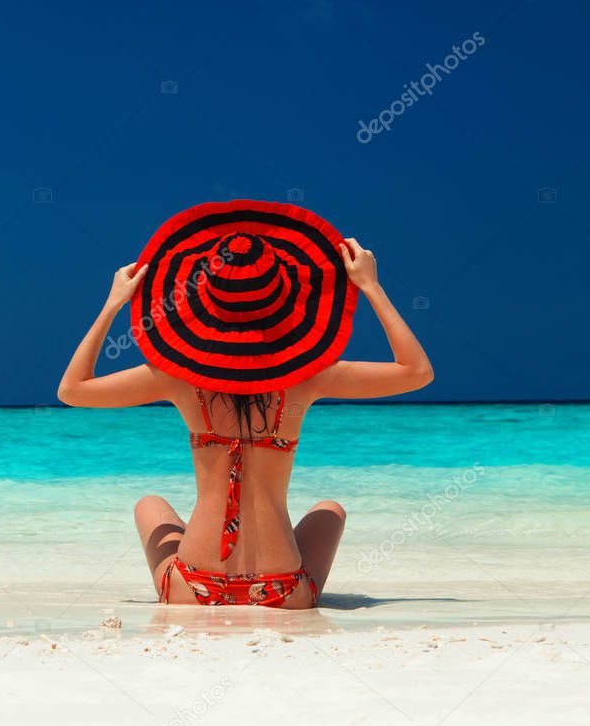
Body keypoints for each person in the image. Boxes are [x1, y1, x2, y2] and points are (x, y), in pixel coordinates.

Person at [58, 204, 432, 609]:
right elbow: (416, 372)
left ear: (200, 306)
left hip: (192, 589)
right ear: (287, 306)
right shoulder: (307, 378)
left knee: (150, 505)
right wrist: (370, 286)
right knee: (331, 510)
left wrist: (113, 303)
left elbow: (73, 390)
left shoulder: (178, 378)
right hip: (284, 591)